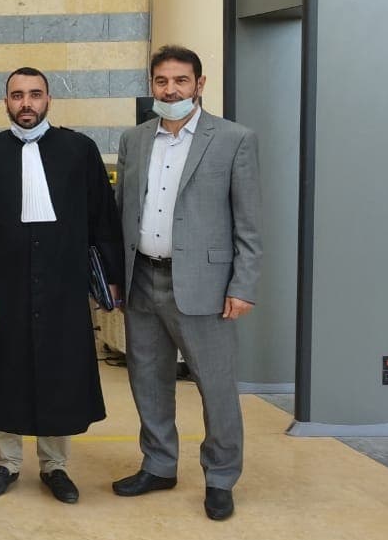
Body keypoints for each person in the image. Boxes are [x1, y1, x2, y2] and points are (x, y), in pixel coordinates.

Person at [112, 45, 263, 521]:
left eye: (180, 81)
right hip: (142, 279)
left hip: (206, 286)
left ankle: (220, 477)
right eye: (162, 81)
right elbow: (122, 210)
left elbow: (249, 224)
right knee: (148, 381)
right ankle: (159, 465)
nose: (171, 90)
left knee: (216, 388)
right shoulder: (134, 139)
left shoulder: (234, 139)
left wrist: (243, 285)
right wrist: (115, 277)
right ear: (151, 85)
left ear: (199, 84)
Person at [0, 67, 124, 504]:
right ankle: (7, 461)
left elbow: (103, 219)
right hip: (4, 287)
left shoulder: (79, 150)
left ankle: (55, 465)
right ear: (6, 102)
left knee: (58, 371)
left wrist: (111, 280)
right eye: (17, 95)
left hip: (63, 284)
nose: (26, 103)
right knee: (5, 370)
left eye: (35, 94)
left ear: (48, 99)